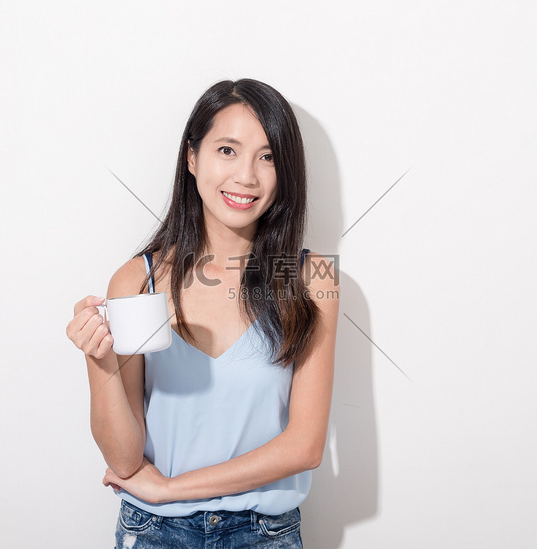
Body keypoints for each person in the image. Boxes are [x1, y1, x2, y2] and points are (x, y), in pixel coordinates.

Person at [66, 78, 339, 548]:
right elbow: (126, 460)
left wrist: (172, 489)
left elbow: (305, 446)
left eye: (268, 156)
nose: (247, 176)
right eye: (227, 150)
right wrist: (100, 362)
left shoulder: (311, 278)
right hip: (154, 532)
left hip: (264, 534)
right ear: (192, 158)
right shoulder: (137, 281)